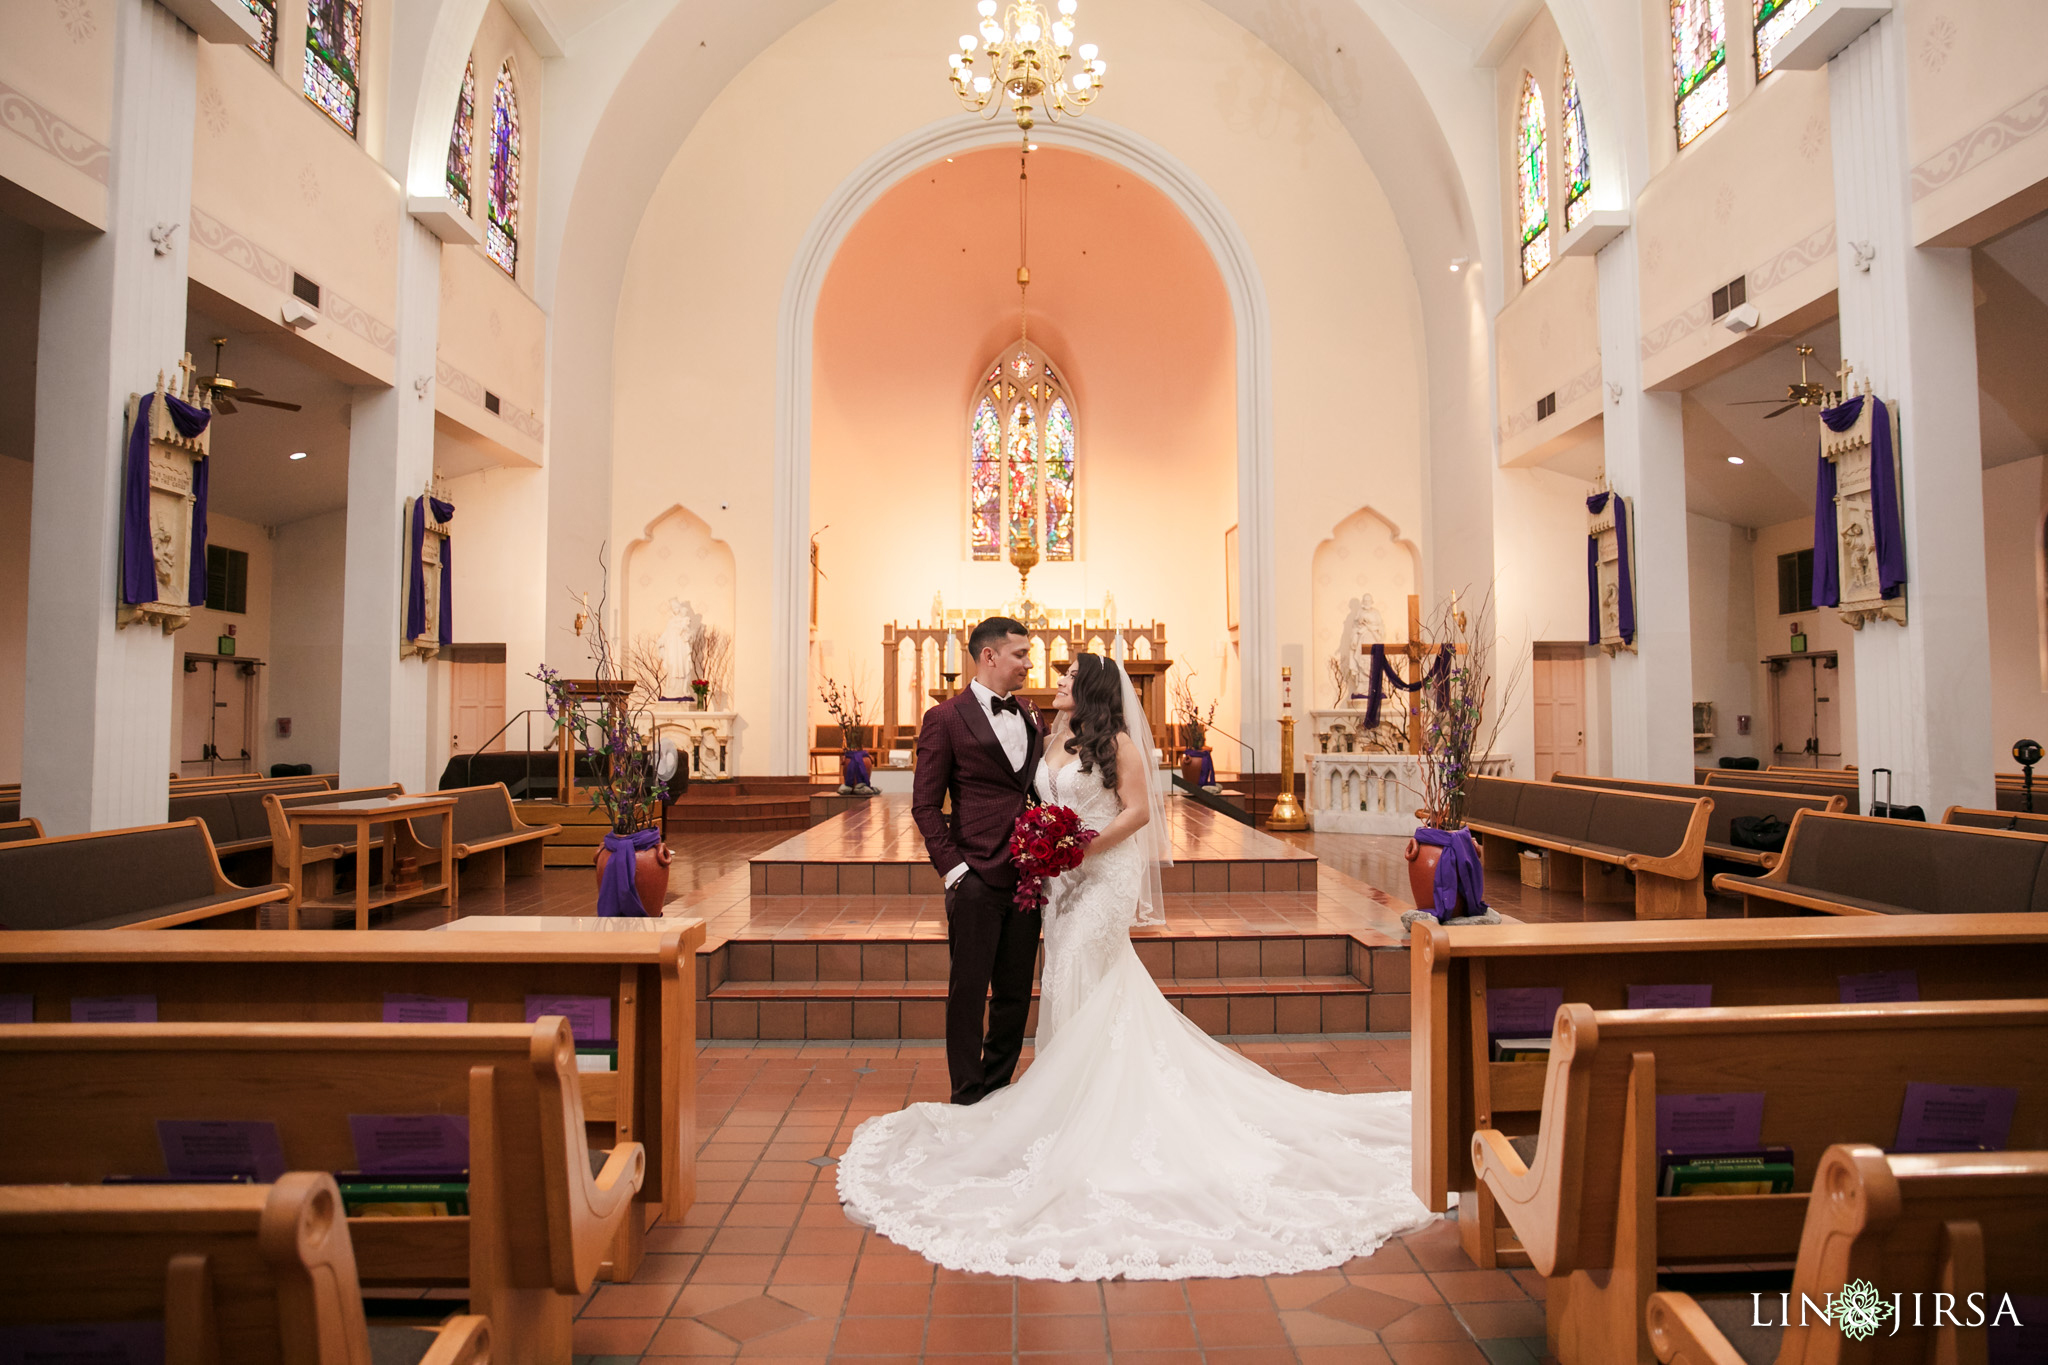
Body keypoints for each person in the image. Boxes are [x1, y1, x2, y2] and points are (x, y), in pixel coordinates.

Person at [844, 651, 1435, 1280]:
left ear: (1091, 689)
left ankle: (1085, 1111)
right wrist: (1044, 851)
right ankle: (1067, 1097)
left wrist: (1079, 848)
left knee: (1076, 972)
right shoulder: (1047, 736)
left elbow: (1141, 811)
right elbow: (1023, 801)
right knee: (1074, 982)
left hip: (1101, 877)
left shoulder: (1119, 742)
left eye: (1068, 678)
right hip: (1060, 884)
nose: (1055, 681)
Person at [910, 616, 1044, 1106]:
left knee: (1014, 995)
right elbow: (925, 805)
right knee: (967, 995)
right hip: (975, 878)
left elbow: (1031, 790)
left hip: (1027, 877)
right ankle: (967, 1097)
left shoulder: (1031, 715)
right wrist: (956, 871)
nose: (1029, 664)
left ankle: (998, 1092)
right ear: (990, 656)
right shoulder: (944, 719)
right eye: (1021, 655)